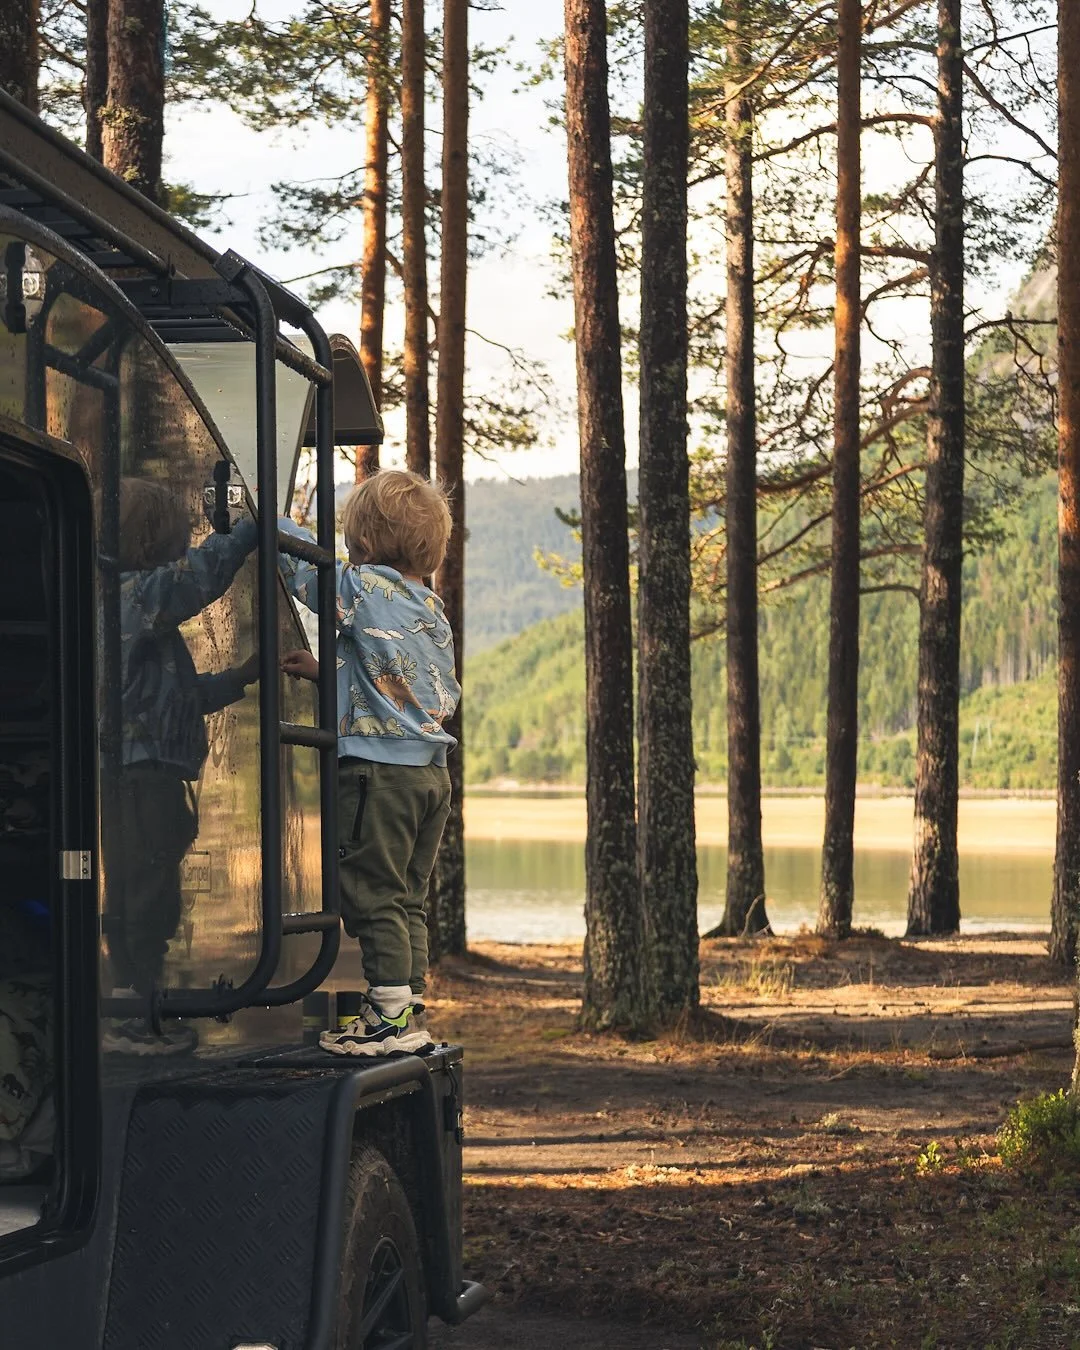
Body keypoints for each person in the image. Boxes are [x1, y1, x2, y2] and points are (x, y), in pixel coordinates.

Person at [279, 469, 460, 1057]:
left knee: (370, 892)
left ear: (364, 539)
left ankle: (385, 1019)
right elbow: (391, 688)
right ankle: (407, 1009)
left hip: (378, 774)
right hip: (430, 774)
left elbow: (305, 574)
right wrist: (325, 671)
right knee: (405, 896)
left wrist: (263, 520)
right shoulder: (429, 606)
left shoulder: (362, 588)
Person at [102, 477, 258, 1055]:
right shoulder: (129, 595)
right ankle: (133, 1016)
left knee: (151, 895)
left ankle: (138, 1007)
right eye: (178, 530)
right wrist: (248, 531)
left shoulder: (138, 612)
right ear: (150, 538)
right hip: (140, 781)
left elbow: (175, 698)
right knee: (144, 899)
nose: (189, 539)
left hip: (154, 779)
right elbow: (196, 581)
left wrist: (238, 681)